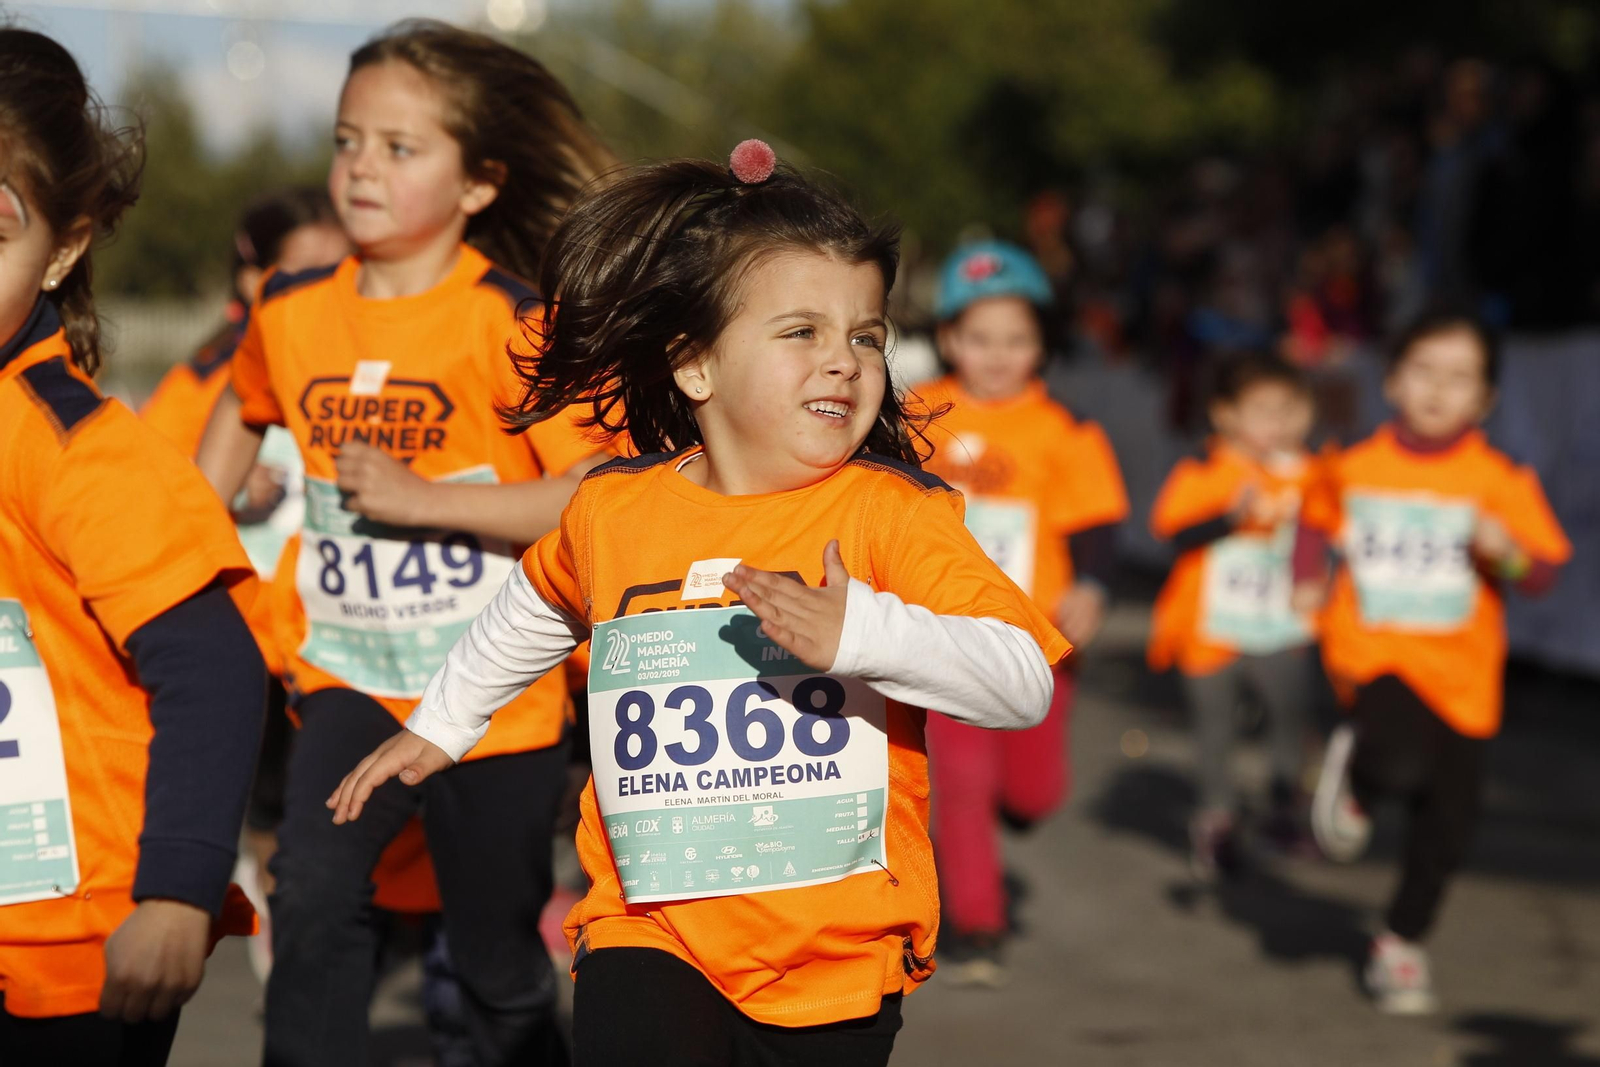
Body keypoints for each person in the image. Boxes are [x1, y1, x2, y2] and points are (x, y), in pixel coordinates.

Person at [328, 142, 1069, 1067]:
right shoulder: (615, 508)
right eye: (801, 331)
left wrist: (863, 632)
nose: (843, 361)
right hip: (651, 924)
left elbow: (1022, 679)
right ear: (696, 368)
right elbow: (534, 604)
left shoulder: (894, 515)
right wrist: (442, 724)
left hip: (831, 947)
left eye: (865, 335)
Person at [194, 19, 612, 1066]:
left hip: (493, 697)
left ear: (478, 184)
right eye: (346, 141)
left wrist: (426, 501)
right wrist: (200, 530)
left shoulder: (512, 324)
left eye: (398, 147)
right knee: (318, 894)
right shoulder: (290, 310)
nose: (360, 168)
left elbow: (595, 496)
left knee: (494, 965)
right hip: (348, 678)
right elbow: (242, 408)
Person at [0, 27, 265, 1066]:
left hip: (79, 944)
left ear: (62, 249)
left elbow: (214, 670)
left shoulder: (80, 450)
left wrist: (176, 891)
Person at [1303, 308, 1571, 1013]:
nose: (1437, 390)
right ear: (1392, 379)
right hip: (1375, 652)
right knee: (1398, 761)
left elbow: (1540, 569)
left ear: (1484, 401)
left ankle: (1400, 939)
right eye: (1423, 370)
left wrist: (1501, 549)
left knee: (1449, 822)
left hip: (1464, 673)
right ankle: (1360, 772)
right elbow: (1314, 516)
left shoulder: (1498, 477)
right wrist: (1307, 575)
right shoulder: (1355, 466)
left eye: (1460, 379)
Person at [915, 240, 1128, 983]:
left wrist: (1095, 587)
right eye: (979, 337)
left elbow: (1098, 528)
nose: (998, 354)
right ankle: (977, 921)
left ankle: (1021, 808)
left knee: (1034, 793)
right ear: (948, 339)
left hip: (1039, 638)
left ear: (1041, 342)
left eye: (1016, 338)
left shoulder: (1064, 429)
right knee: (962, 782)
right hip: (944, 635)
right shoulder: (914, 416)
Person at [1148, 353, 1319, 880]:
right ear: (1226, 415)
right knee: (1215, 730)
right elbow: (1172, 534)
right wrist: (1229, 518)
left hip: (1280, 628)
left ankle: (1283, 806)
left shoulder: (1310, 473)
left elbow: (1329, 531)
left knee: (1289, 717)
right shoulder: (1205, 467)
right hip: (1210, 630)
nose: (1280, 423)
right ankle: (1217, 821)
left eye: (1290, 409)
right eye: (1264, 410)